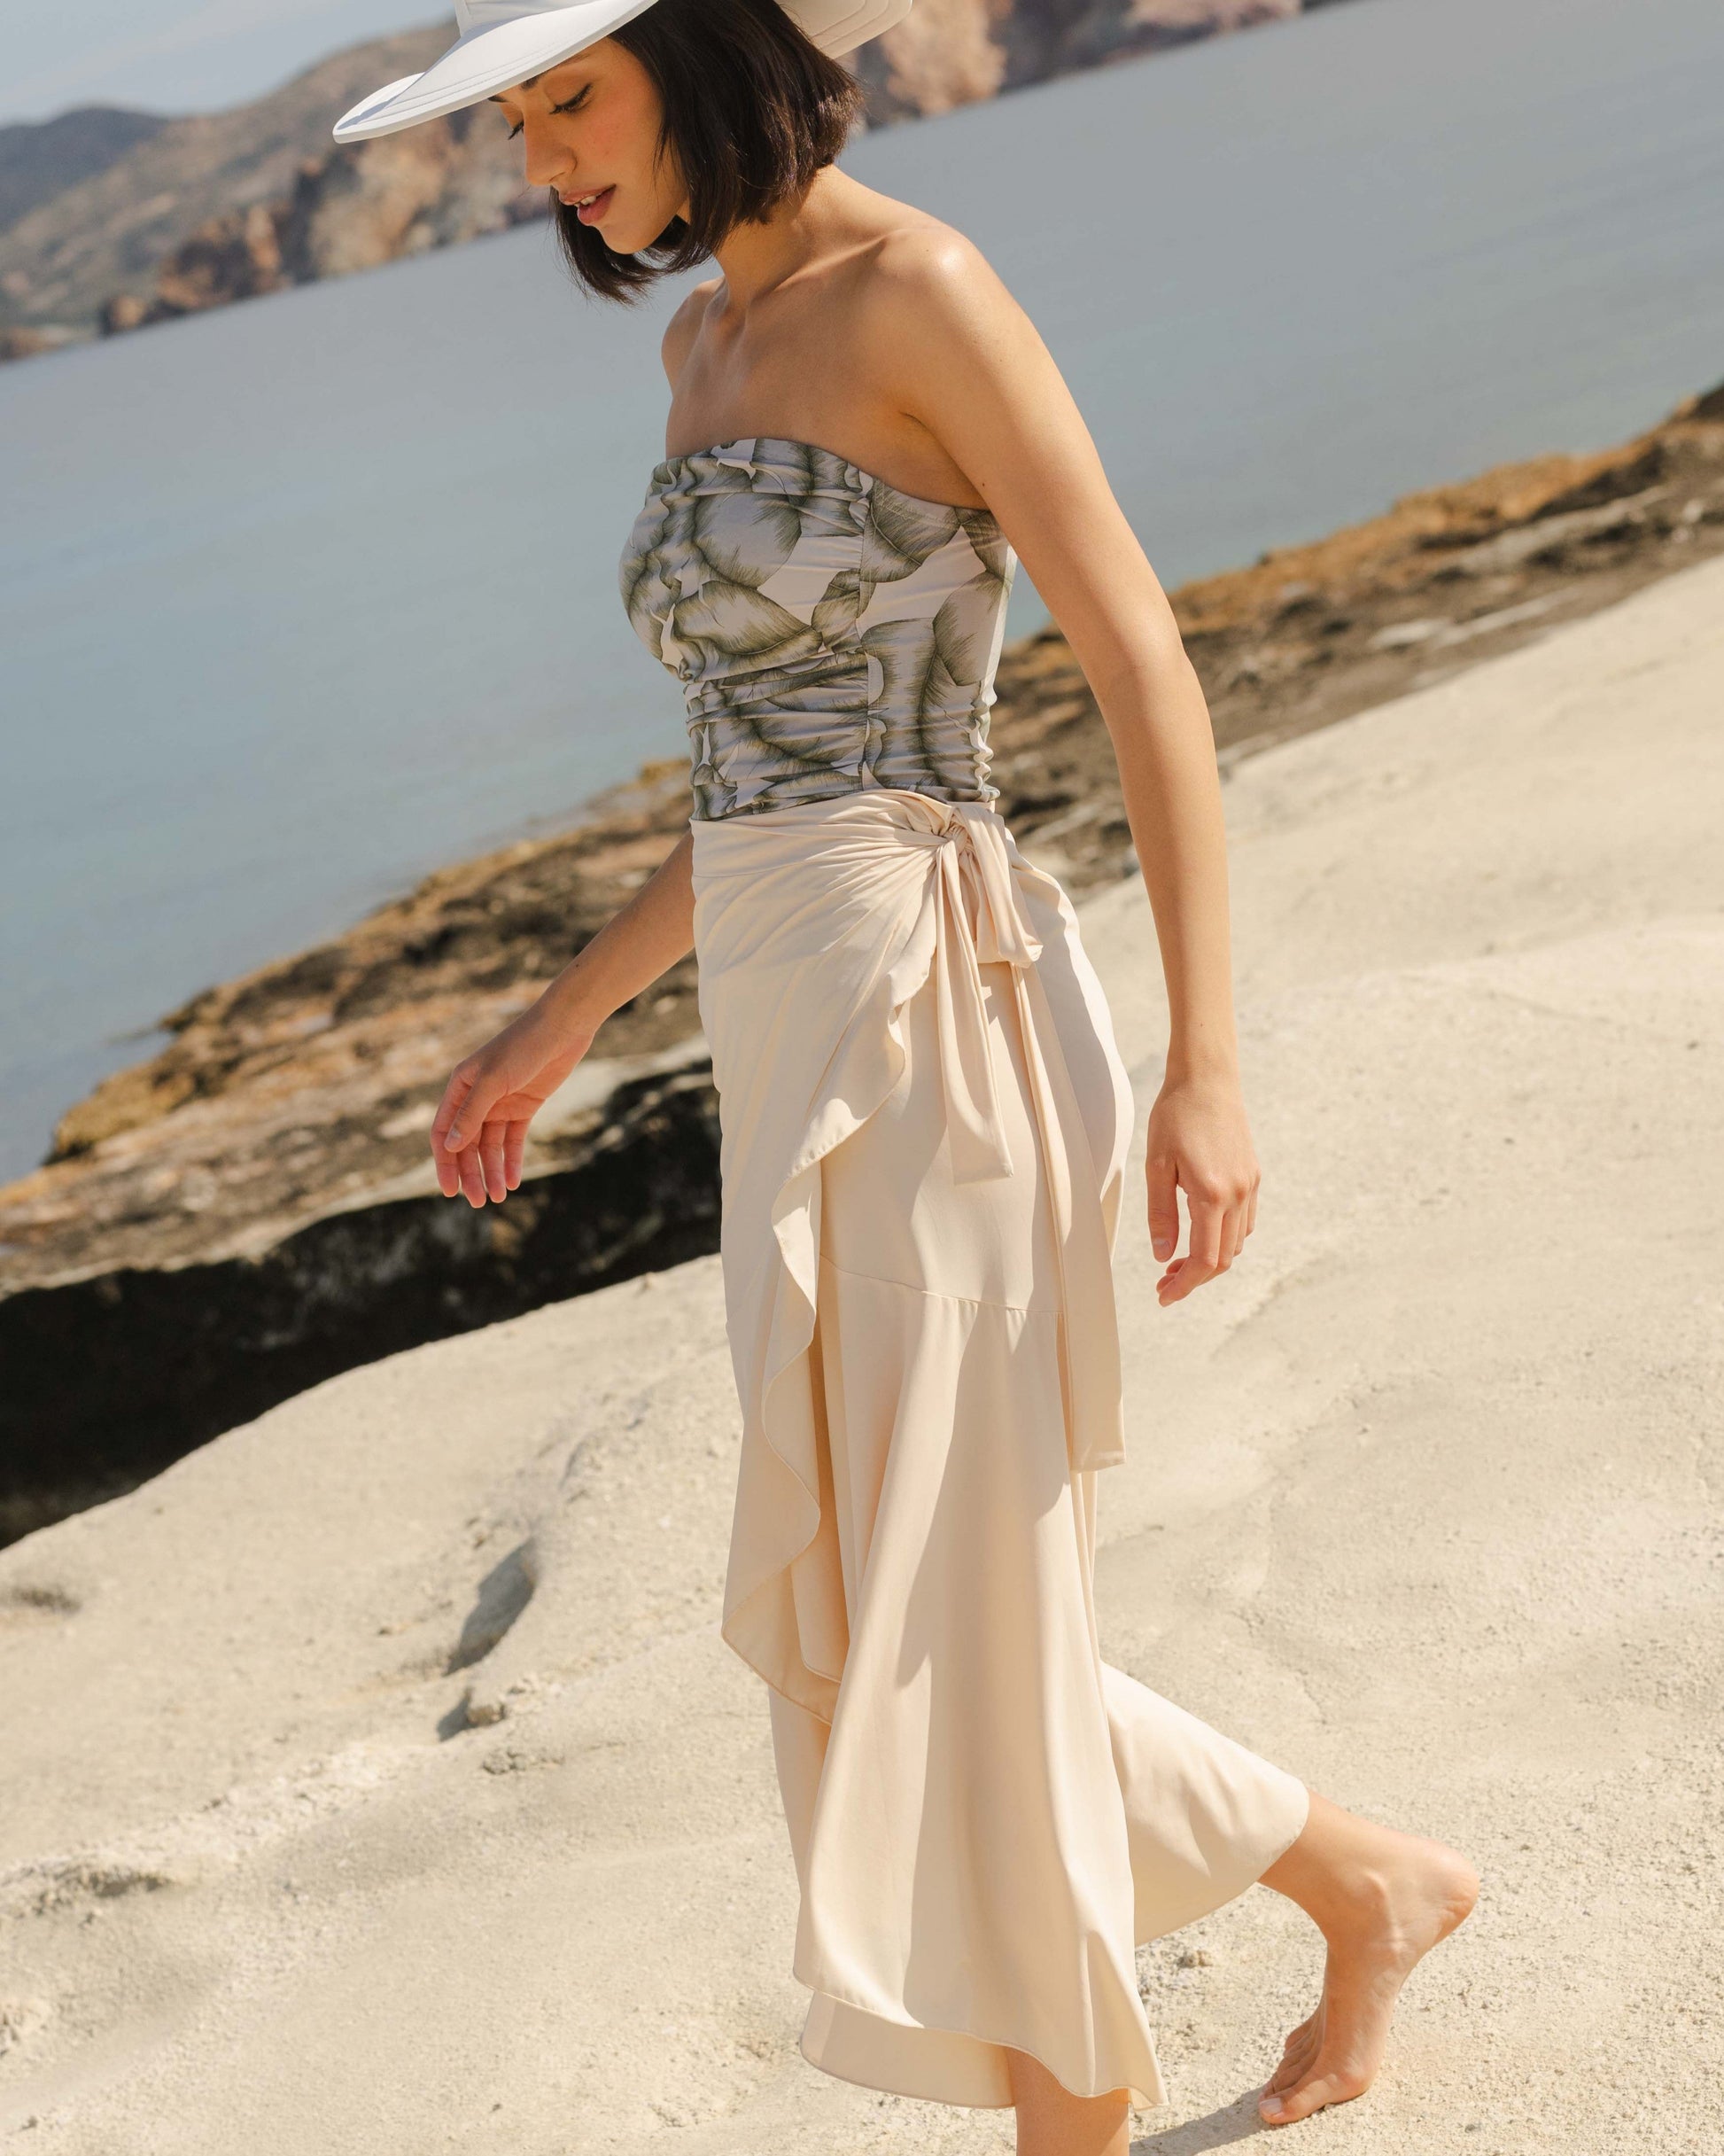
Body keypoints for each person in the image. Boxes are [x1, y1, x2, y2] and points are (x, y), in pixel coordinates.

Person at [335, 3, 1479, 2147]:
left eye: (567, 100)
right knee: (879, 1617)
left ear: (699, 55)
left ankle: (1078, 2115)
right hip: (769, 1005)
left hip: (929, 1000)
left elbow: (1139, 653)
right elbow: (746, 769)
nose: (542, 164)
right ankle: (1364, 1876)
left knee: (948, 1607)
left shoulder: (920, 293)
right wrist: (562, 1015)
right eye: (513, 123)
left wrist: (1204, 1065)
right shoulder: (692, 355)